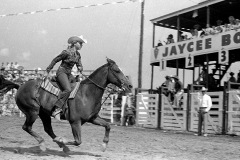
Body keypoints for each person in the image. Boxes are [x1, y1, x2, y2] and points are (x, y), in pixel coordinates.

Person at [46, 35, 87, 120]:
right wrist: (48, 70)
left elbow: (79, 64)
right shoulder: (66, 52)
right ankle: (56, 109)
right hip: (62, 72)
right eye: (80, 43)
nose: (82, 45)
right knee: (68, 89)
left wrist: (80, 68)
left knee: (77, 87)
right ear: (75, 43)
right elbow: (55, 60)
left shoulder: (78, 55)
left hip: (69, 74)